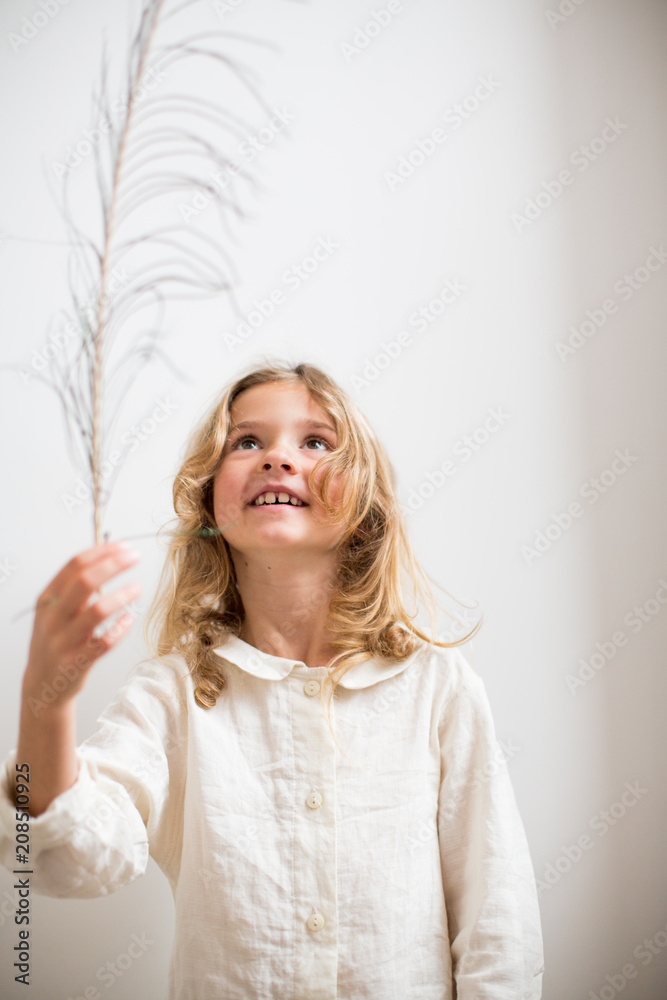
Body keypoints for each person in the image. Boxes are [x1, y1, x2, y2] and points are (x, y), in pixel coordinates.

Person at [0, 360, 544, 999]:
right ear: (209, 499)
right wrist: (45, 702)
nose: (278, 458)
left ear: (365, 505)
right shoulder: (171, 695)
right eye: (246, 441)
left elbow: (498, 925)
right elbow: (68, 861)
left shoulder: (436, 687)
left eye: (315, 441)